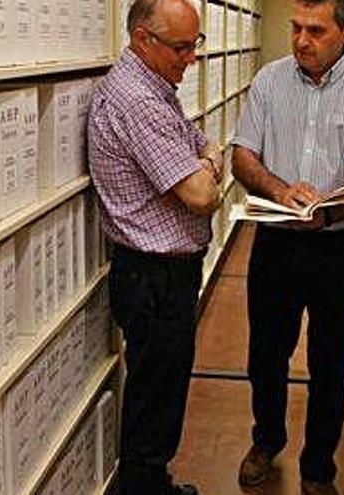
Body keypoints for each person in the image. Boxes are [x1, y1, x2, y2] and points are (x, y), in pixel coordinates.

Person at [231, 0, 344, 493]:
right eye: (296, 28)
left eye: (317, 31)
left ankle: (318, 468)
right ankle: (267, 439)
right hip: (277, 242)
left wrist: (326, 209)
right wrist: (283, 193)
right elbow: (243, 157)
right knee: (265, 353)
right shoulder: (269, 81)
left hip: (341, 249)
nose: (302, 40)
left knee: (331, 361)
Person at [87, 0, 223, 493]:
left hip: (160, 275)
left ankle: (152, 484)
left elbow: (200, 140)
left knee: (160, 394)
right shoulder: (138, 101)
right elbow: (202, 195)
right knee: (154, 399)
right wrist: (208, 163)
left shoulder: (154, 88)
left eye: (196, 45)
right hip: (153, 278)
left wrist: (203, 156)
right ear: (143, 39)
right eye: (182, 47)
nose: (191, 58)